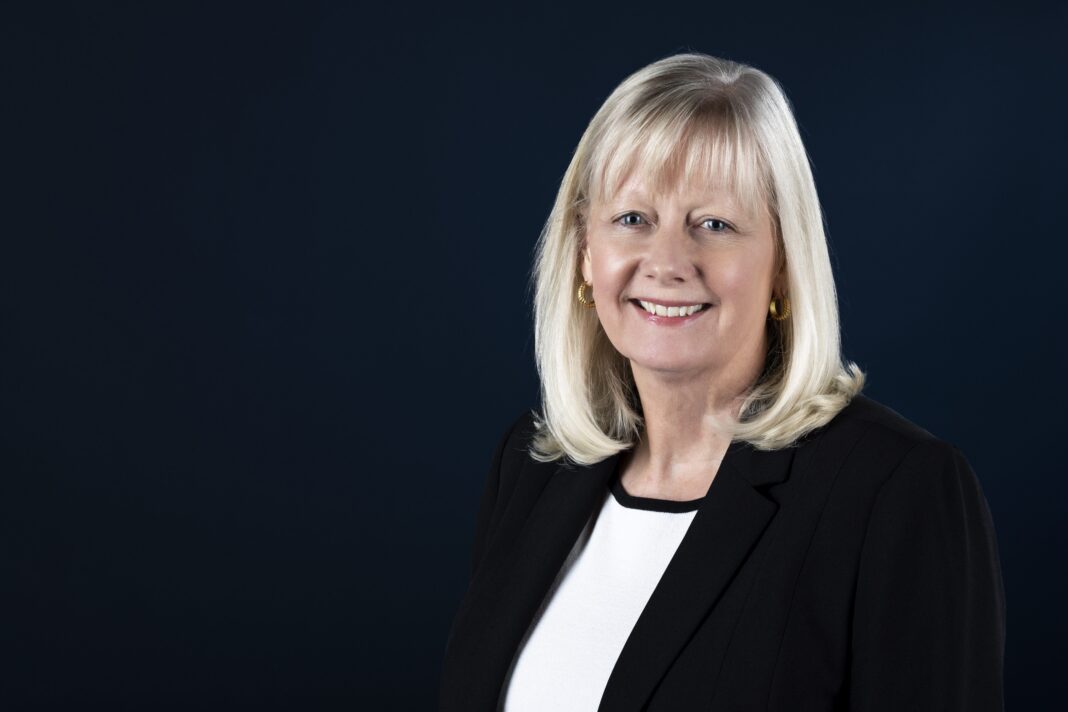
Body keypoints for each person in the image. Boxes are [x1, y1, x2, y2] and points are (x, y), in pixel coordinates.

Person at [438, 52, 1005, 712]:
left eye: (715, 224)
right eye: (633, 219)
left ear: (784, 266)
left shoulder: (897, 492)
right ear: (585, 254)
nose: (669, 263)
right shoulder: (535, 466)